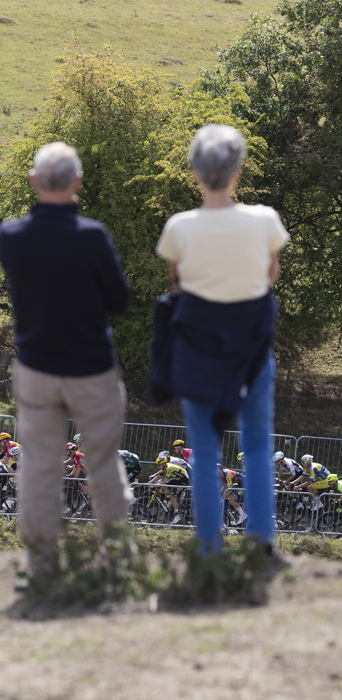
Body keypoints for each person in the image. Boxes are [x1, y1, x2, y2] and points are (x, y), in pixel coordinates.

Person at [0, 141, 131, 584]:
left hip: (35, 368)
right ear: (77, 183)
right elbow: (119, 300)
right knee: (103, 463)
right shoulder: (91, 236)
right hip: (91, 368)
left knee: (37, 466)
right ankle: (116, 561)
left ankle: (41, 567)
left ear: (34, 181)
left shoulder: (11, 235)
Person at [155, 123, 289, 553]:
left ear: (195, 172)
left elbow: (177, 284)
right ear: (238, 171)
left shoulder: (179, 227)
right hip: (251, 352)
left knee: (204, 449)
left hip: (198, 354)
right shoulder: (265, 219)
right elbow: (270, 276)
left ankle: (210, 548)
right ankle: (261, 545)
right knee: (256, 443)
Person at [148, 454, 190, 525]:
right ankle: (169, 502)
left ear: (164, 464)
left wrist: (154, 486)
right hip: (177, 479)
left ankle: (177, 517)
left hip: (184, 480)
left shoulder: (169, 468)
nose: (158, 467)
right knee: (164, 486)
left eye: (159, 465)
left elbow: (164, 481)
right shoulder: (165, 467)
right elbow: (158, 477)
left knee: (173, 497)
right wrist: (149, 483)